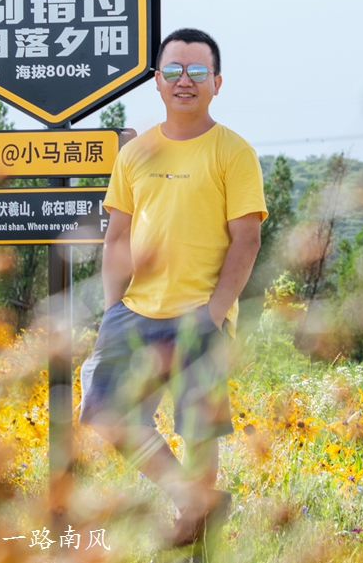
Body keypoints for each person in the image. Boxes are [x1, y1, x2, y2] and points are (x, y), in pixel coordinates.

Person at [79, 28, 267, 548]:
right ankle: (190, 498)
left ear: (217, 82)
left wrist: (216, 311)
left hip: (199, 314)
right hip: (133, 310)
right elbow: (117, 235)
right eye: (175, 72)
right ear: (157, 82)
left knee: (199, 432)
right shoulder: (136, 152)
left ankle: (200, 547)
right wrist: (112, 306)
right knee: (104, 412)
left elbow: (246, 240)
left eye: (198, 72)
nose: (186, 81)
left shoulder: (234, 152)